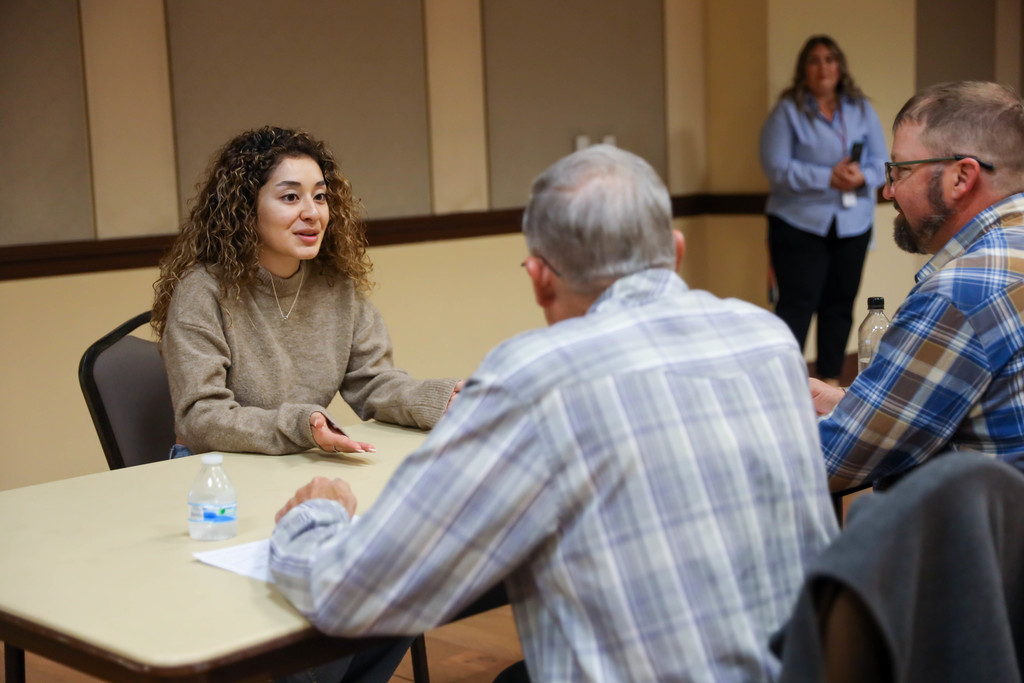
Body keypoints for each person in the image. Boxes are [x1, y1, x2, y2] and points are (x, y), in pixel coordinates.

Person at [269, 145, 838, 681]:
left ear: (540, 281)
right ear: (677, 251)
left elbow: (356, 593)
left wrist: (313, 517)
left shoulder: (538, 376)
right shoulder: (766, 338)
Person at [152, 126, 461, 458]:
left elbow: (373, 383)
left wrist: (442, 400)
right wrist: (301, 425)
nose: (312, 213)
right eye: (290, 197)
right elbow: (201, 418)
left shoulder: (336, 286)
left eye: (319, 196)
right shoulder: (201, 291)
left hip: (295, 461)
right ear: (245, 209)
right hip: (211, 475)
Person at [812, 81, 1024, 492]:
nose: (888, 190)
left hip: (983, 548)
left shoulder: (959, 294)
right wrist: (854, 406)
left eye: (900, 170)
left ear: (962, 176)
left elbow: (832, 462)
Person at [760, 35, 888, 385]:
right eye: (815, 60)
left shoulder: (860, 109)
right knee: (797, 306)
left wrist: (860, 175)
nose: (824, 67)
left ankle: (830, 381)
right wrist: (826, 177)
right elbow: (775, 166)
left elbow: (883, 162)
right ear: (804, 68)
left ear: (840, 66)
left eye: (830, 59)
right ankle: (783, 383)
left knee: (840, 304)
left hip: (852, 224)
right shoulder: (788, 111)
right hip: (799, 223)